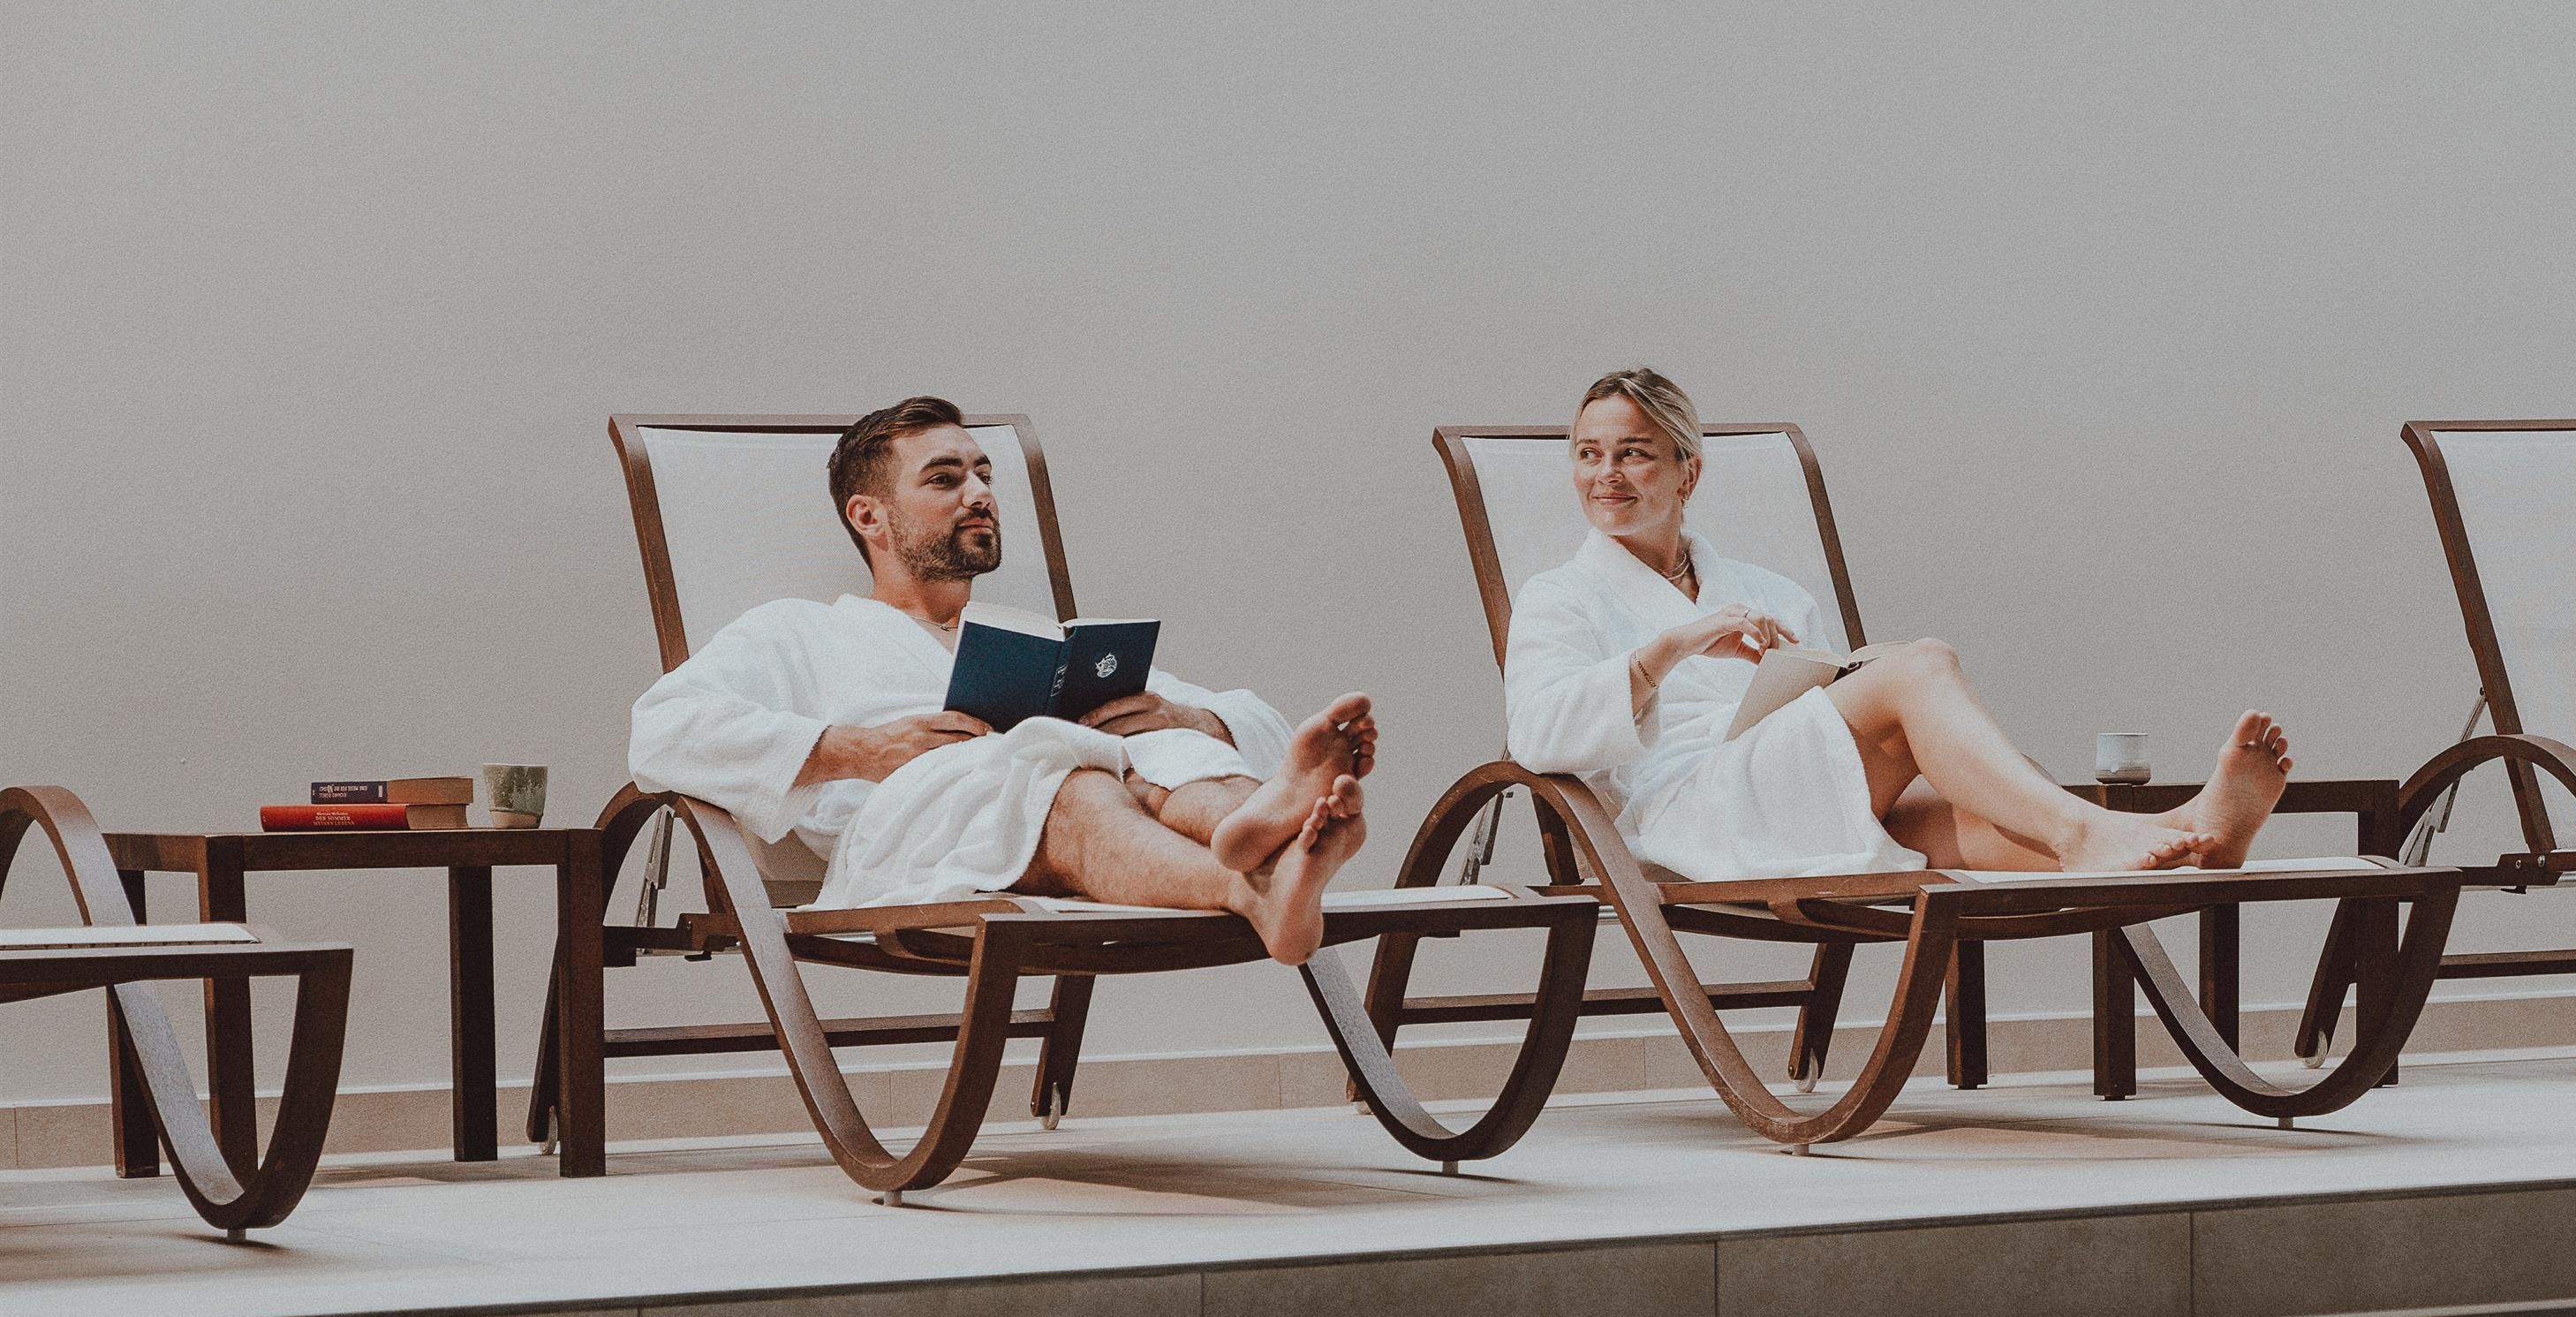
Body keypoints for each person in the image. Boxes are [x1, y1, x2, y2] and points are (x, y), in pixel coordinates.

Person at [629, 396, 1375, 964]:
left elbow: (1206, 716)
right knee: (1071, 784)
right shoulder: (799, 632)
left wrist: (1192, 719)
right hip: (913, 831)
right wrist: (860, 749)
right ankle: (1250, 883)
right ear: (869, 517)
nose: (979, 492)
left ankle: (1260, 827)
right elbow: (662, 729)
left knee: (1159, 747)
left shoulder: (1037, 637)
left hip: (1047, 784)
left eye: (984, 474)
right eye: (945, 478)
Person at [1499, 367, 2293, 882]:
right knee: (1923, 663)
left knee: (1984, 805)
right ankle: (2093, 833)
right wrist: (1673, 646)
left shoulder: (1767, 592)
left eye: (1634, 453)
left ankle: (2191, 836)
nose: (1606, 474)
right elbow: (1536, 736)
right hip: (1688, 815)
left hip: (1786, 796)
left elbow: (1824, 714)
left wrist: (1818, 675)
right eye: (1588, 454)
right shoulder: (1558, 597)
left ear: (1688, 472)